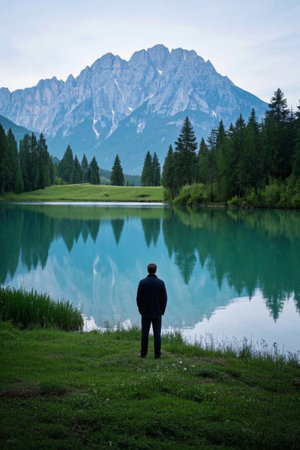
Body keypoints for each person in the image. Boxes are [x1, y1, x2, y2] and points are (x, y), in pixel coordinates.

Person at [136, 263, 167, 359]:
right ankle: (157, 355)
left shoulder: (142, 282)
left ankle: (143, 354)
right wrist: (162, 311)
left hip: (145, 312)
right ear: (156, 270)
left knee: (144, 333)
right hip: (157, 312)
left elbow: (138, 298)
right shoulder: (161, 283)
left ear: (147, 270)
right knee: (157, 334)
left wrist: (141, 310)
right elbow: (164, 299)